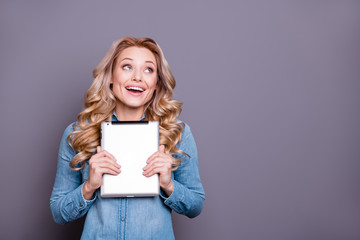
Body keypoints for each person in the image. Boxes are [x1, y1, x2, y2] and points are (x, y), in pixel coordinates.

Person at [50, 36, 205, 239]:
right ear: (111, 77)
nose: (138, 77)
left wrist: (169, 185)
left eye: (148, 69)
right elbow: (58, 213)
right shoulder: (78, 134)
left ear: (156, 83)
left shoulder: (177, 133)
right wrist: (89, 187)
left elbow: (196, 206)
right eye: (127, 67)